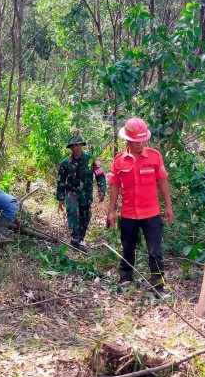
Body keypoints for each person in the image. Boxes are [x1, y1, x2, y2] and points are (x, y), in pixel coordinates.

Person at [106, 117, 174, 293]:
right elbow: (114, 186)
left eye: (142, 140)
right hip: (128, 213)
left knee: (155, 250)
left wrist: (168, 206)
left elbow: (163, 182)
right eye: (136, 141)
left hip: (151, 213)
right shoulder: (119, 161)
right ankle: (126, 277)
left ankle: (157, 283)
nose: (139, 144)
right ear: (128, 139)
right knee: (128, 248)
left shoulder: (154, 157)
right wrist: (111, 211)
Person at [56, 132, 106, 252]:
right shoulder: (65, 163)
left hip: (86, 194)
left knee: (86, 216)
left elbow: (100, 175)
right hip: (71, 192)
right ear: (71, 148)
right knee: (72, 212)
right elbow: (61, 181)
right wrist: (61, 198)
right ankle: (74, 241)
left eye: (78, 145)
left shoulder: (90, 160)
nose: (76, 148)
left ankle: (80, 240)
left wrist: (102, 189)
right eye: (73, 146)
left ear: (82, 146)